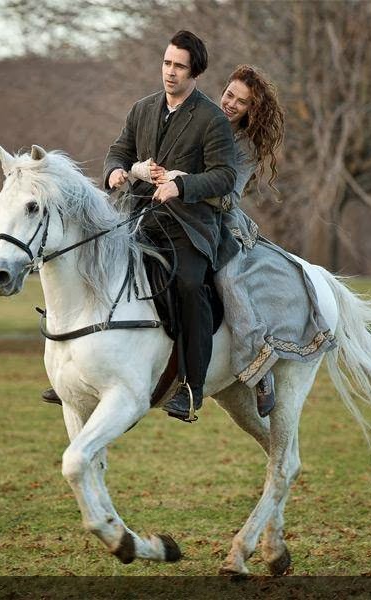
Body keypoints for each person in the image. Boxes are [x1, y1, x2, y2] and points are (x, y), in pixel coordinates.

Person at [130, 65, 285, 417]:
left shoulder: (246, 147)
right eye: (230, 95)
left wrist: (185, 181)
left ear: (251, 111)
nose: (231, 104)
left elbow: (229, 197)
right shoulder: (202, 118)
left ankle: (260, 366)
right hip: (168, 213)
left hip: (218, 221)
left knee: (227, 282)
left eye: (242, 103)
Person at [103, 30, 238, 422]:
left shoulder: (212, 118)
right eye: (167, 63)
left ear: (194, 72)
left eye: (179, 66)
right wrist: (116, 172)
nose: (170, 72)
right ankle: (83, 371)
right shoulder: (142, 109)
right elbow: (119, 151)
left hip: (189, 225)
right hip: (137, 217)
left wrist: (182, 185)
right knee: (95, 260)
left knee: (189, 285)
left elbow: (225, 176)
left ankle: (191, 388)